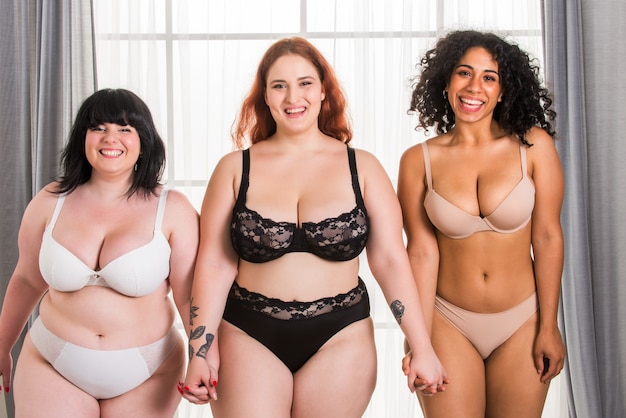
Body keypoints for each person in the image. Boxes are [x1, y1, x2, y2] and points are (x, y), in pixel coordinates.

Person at [179, 36, 448, 417]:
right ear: (266, 96)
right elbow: (214, 266)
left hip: (341, 335)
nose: (293, 97)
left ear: (323, 90)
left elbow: (390, 260)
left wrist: (422, 347)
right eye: (279, 85)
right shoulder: (234, 169)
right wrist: (199, 353)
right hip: (247, 333)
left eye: (305, 83)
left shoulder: (364, 168)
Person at [0, 88, 199, 417]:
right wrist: (3, 345)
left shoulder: (174, 209)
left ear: (143, 140)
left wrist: (203, 356)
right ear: (83, 137)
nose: (111, 138)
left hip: (148, 371)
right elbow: (25, 279)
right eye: (98, 128)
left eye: (124, 129)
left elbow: (191, 298)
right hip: (53, 362)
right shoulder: (51, 200)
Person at [397, 30, 566, 417]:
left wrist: (548, 326)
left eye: (489, 77)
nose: (475, 87)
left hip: (522, 318)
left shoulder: (534, 146)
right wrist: (417, 339)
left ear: (505, 90)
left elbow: (547, 236)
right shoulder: (416, 161)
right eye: (464, 73)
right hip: (447, 319)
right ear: (446, 81)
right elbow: (421, 253)